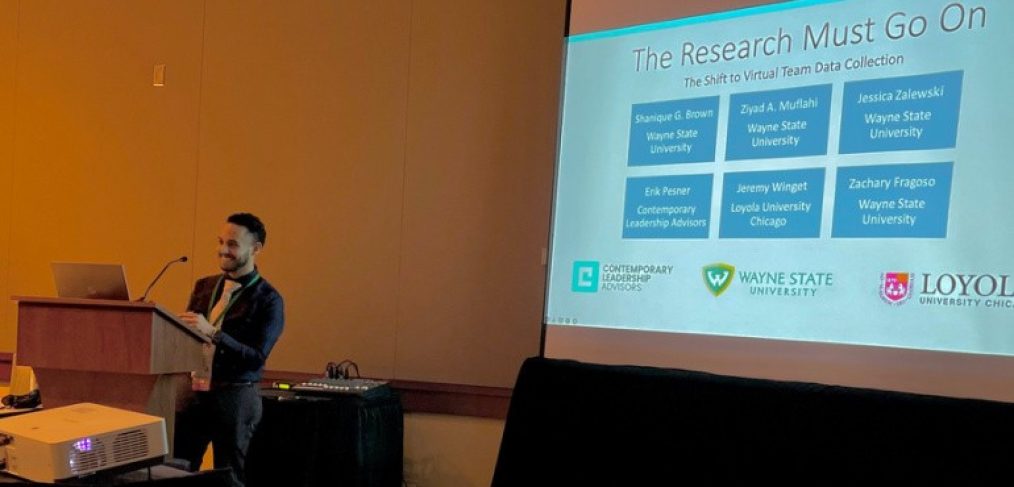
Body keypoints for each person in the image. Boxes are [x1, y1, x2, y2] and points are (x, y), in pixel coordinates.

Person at [174, 212, 284, 487]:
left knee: (229, 476)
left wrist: (214, 333)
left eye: (233, 244)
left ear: (255, 249)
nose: (223, 250)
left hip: (235, 395)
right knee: (177, 468)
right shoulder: (204, 286)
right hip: (194, 392)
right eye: (221, 241)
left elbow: (256, 357)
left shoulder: (269, 300)